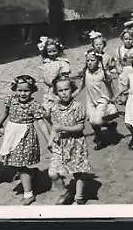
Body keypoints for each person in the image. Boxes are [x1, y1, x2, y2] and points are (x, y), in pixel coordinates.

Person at [0, 75, 49, 205]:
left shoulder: (34, 105)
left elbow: (41, 123)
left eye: (26, 90)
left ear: (32, 90)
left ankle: (29, 194)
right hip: (12, 134)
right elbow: (5, 113)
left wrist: (49, 140)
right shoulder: (12, 100)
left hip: (25, 136)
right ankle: (31, 173)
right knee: (17, 163)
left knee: (20, 165)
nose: (23, 93)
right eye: (20, 90)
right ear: (15, 89)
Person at [47, 75, 92, 205]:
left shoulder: (77, 106)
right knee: (52, 173)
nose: (64, 93)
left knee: (77, 171)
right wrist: (50, 140)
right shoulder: (54, 108)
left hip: (75, 143)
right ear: (56, 92)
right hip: (59, 144)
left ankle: (79, 196)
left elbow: (80, 126)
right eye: (60, 91)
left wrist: (63, 127)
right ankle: (64, 192)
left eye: (67, 89)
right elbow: (54, 127)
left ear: (72, 90)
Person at [74, 49, 118, 151]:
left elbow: (111, 85)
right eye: (88, 60)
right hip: (90, 100)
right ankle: (100, 138)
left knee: (97, 121)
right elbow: (82, 86)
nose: (89, 62)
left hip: (102, 99)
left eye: (92, 60)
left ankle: (108, 125)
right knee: (92, 121)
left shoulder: (103, 73)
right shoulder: (86, 72)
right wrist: (73, 94)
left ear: (98, 61)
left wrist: (114, 97)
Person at [37, 36, 70, 114]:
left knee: (60, 107)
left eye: (54, 51)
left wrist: (60, 83)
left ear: (58, 50)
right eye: (49, 52)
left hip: (59, 88)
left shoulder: (62, 62)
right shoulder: (46, 62)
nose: (52, 54)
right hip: (49, 89)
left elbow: (65, 76)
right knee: (48, 108)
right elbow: (45, 76)